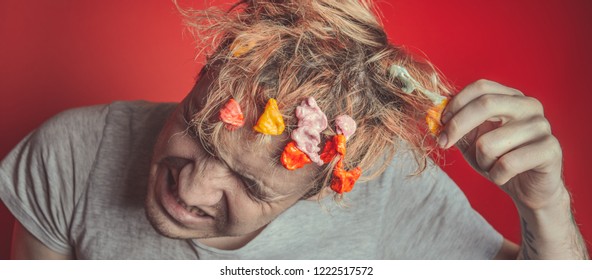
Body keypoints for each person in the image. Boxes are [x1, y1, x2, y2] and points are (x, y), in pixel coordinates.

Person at [0, 0, 588, 259]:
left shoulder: (388, 197)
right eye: (199, 132)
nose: (193, 190)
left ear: (324, 190)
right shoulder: (70, 157)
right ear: (203, 77)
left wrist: (547, 207)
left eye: (253, 186)